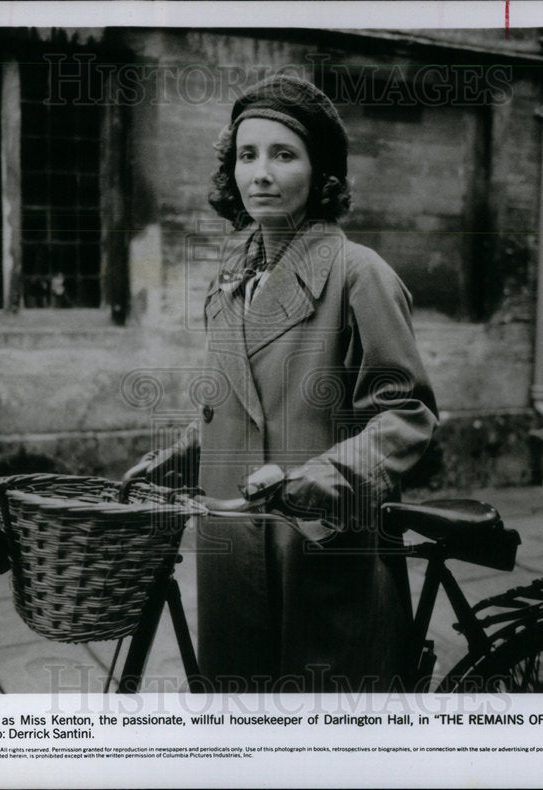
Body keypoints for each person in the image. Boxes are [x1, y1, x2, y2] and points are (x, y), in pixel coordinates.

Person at [126, 74, 438, 693]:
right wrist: (181, 459)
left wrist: (318, 479)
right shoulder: (232, 275)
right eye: (247, 155)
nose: (260, 173)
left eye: (283, 154)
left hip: (318, 550)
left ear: (321, 174)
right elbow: (235, 404)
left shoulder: (359, 275)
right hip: (232, 548)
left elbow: (408, 418)